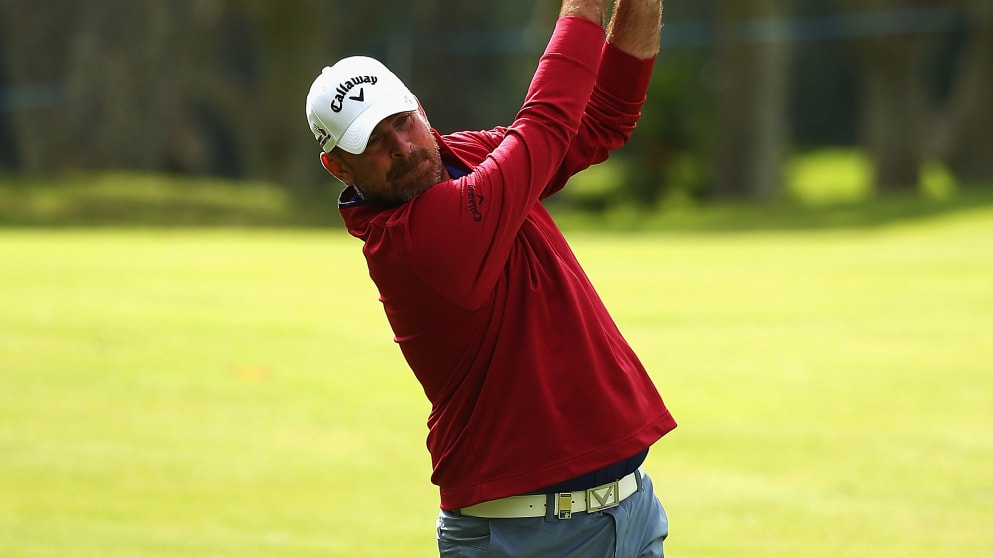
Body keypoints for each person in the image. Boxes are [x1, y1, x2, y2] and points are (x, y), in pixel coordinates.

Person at [304, 0, 675, 555]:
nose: (401, 147)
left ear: (420, 109)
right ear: (339, 166)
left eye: (401, 122)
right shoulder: (412, 239)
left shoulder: (468, 158)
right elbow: (546, 123)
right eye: (373, 143)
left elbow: (600, 119)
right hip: (519, 538)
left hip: (629, 514)